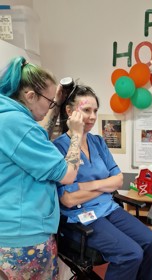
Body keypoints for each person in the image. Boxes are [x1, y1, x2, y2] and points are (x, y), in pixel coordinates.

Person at [53, 82, 152, 280]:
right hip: (81, 216)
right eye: (86, 110)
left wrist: (88, 186)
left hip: (108, 208)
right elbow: (68, 200)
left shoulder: (98, 142)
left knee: (150, 241)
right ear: (69, 111)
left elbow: (118, 180)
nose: (92, 116)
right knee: (130, 254)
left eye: (95, 110)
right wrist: (104, 187)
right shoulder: (57, 148)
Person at [0, 56, 84, 280]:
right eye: (49, 101)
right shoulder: (18, 124)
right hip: (24, 236)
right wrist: (76, 135)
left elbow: (36, 138)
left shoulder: (7, 118)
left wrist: (54, 104)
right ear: (30, 96)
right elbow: (68, 174)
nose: (50, 106)